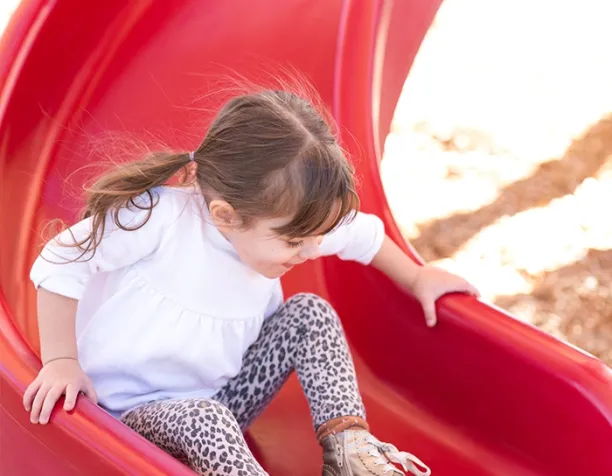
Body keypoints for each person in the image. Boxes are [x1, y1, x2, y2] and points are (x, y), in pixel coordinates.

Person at [23, 89, 478, 476]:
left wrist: (417, 276)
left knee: (309, 314)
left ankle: (351, 452)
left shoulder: (289, 215)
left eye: (315, 238)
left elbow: (360, 234)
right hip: (129, 415)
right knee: (207, 419)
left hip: (224, 400)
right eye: (296, 242)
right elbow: (61, 262)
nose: (311, 251)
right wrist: (61, 360)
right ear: (225, 215)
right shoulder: (159, 219)